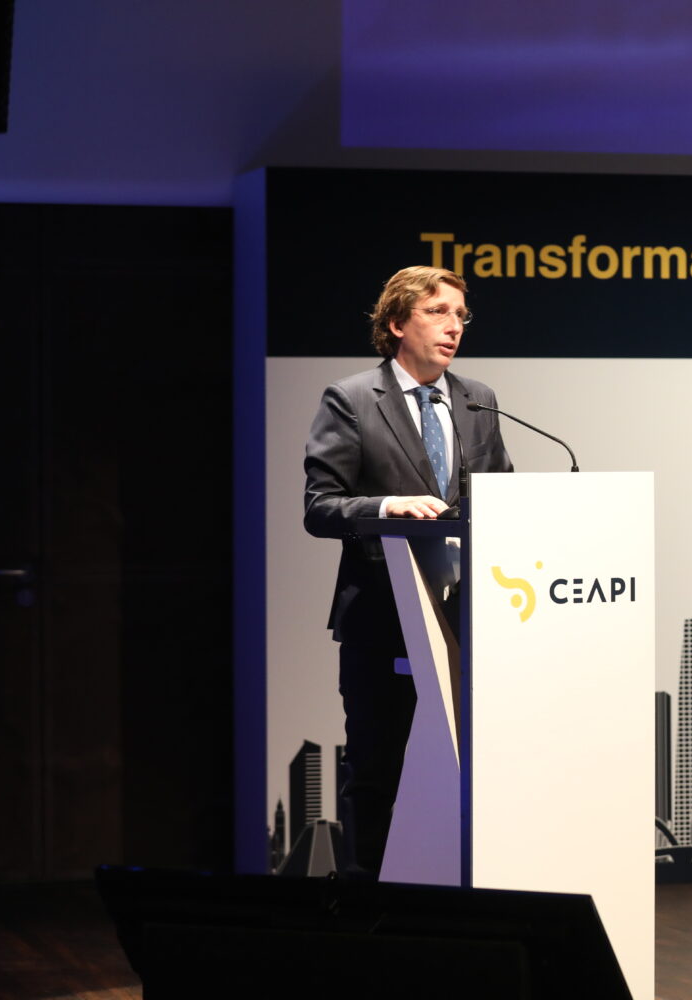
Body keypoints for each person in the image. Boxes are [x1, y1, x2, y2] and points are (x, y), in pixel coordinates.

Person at [303, 265, 513, 877]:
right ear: (397, 322)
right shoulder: (351, 399)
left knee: (471, 771)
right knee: (377, 772)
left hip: (467, 622)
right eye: (438, 312)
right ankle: (365, 906)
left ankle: (461, 899)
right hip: (383, 618)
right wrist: (387, 507)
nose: (454, 327)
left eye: (461, 315)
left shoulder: (477, 400)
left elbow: (503, 496)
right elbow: (320, 508)